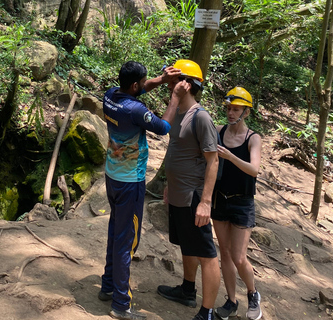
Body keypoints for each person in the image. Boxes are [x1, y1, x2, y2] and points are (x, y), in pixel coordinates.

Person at [99, 61, 182, 320]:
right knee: (126, 241)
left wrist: (159, 79)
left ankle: (108, 286)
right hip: (130, 182)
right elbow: (164, 127)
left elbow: (139, 90)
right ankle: (121, 305)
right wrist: (175, 98)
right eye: (143, 82)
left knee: (116, 231)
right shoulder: (136, 110)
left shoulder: (111, 95)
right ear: (134, 85)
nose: (146, 85)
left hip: (113, 176)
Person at [156, 59, 220, 320]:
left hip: (195, 197)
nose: (169, 82)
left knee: (206, 253)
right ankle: (187, 290)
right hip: (179, 194)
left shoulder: (201, 117)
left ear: (188, 84)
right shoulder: (178, 113)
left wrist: (205, 202)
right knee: (187, 245)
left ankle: (207, 311)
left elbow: (213, 160)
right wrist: (170, 187)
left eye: (174, 79)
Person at [211, 87, 262, 320]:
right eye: (229, 109)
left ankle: (253, 294)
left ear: (246, 112)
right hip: (219, 199)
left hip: (242, 203)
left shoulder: (253, 138)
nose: (231, 113)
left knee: (239, 257)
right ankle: (231, 301)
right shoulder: (219, 131)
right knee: (226, 254)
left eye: (236, 110)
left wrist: (230, 156)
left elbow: (254, 169)